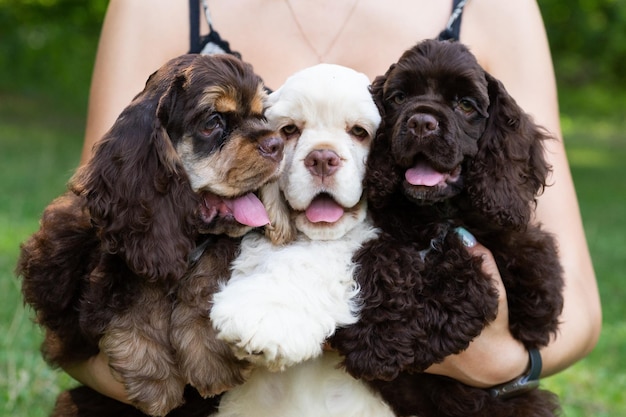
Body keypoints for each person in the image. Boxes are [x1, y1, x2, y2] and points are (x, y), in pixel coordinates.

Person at [71, 0, 601, 406]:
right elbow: (87, 262)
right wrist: (170, 375)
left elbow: (577, 311)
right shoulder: (158, 7)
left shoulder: (494, 9)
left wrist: (500, 363)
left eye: (360, 131)